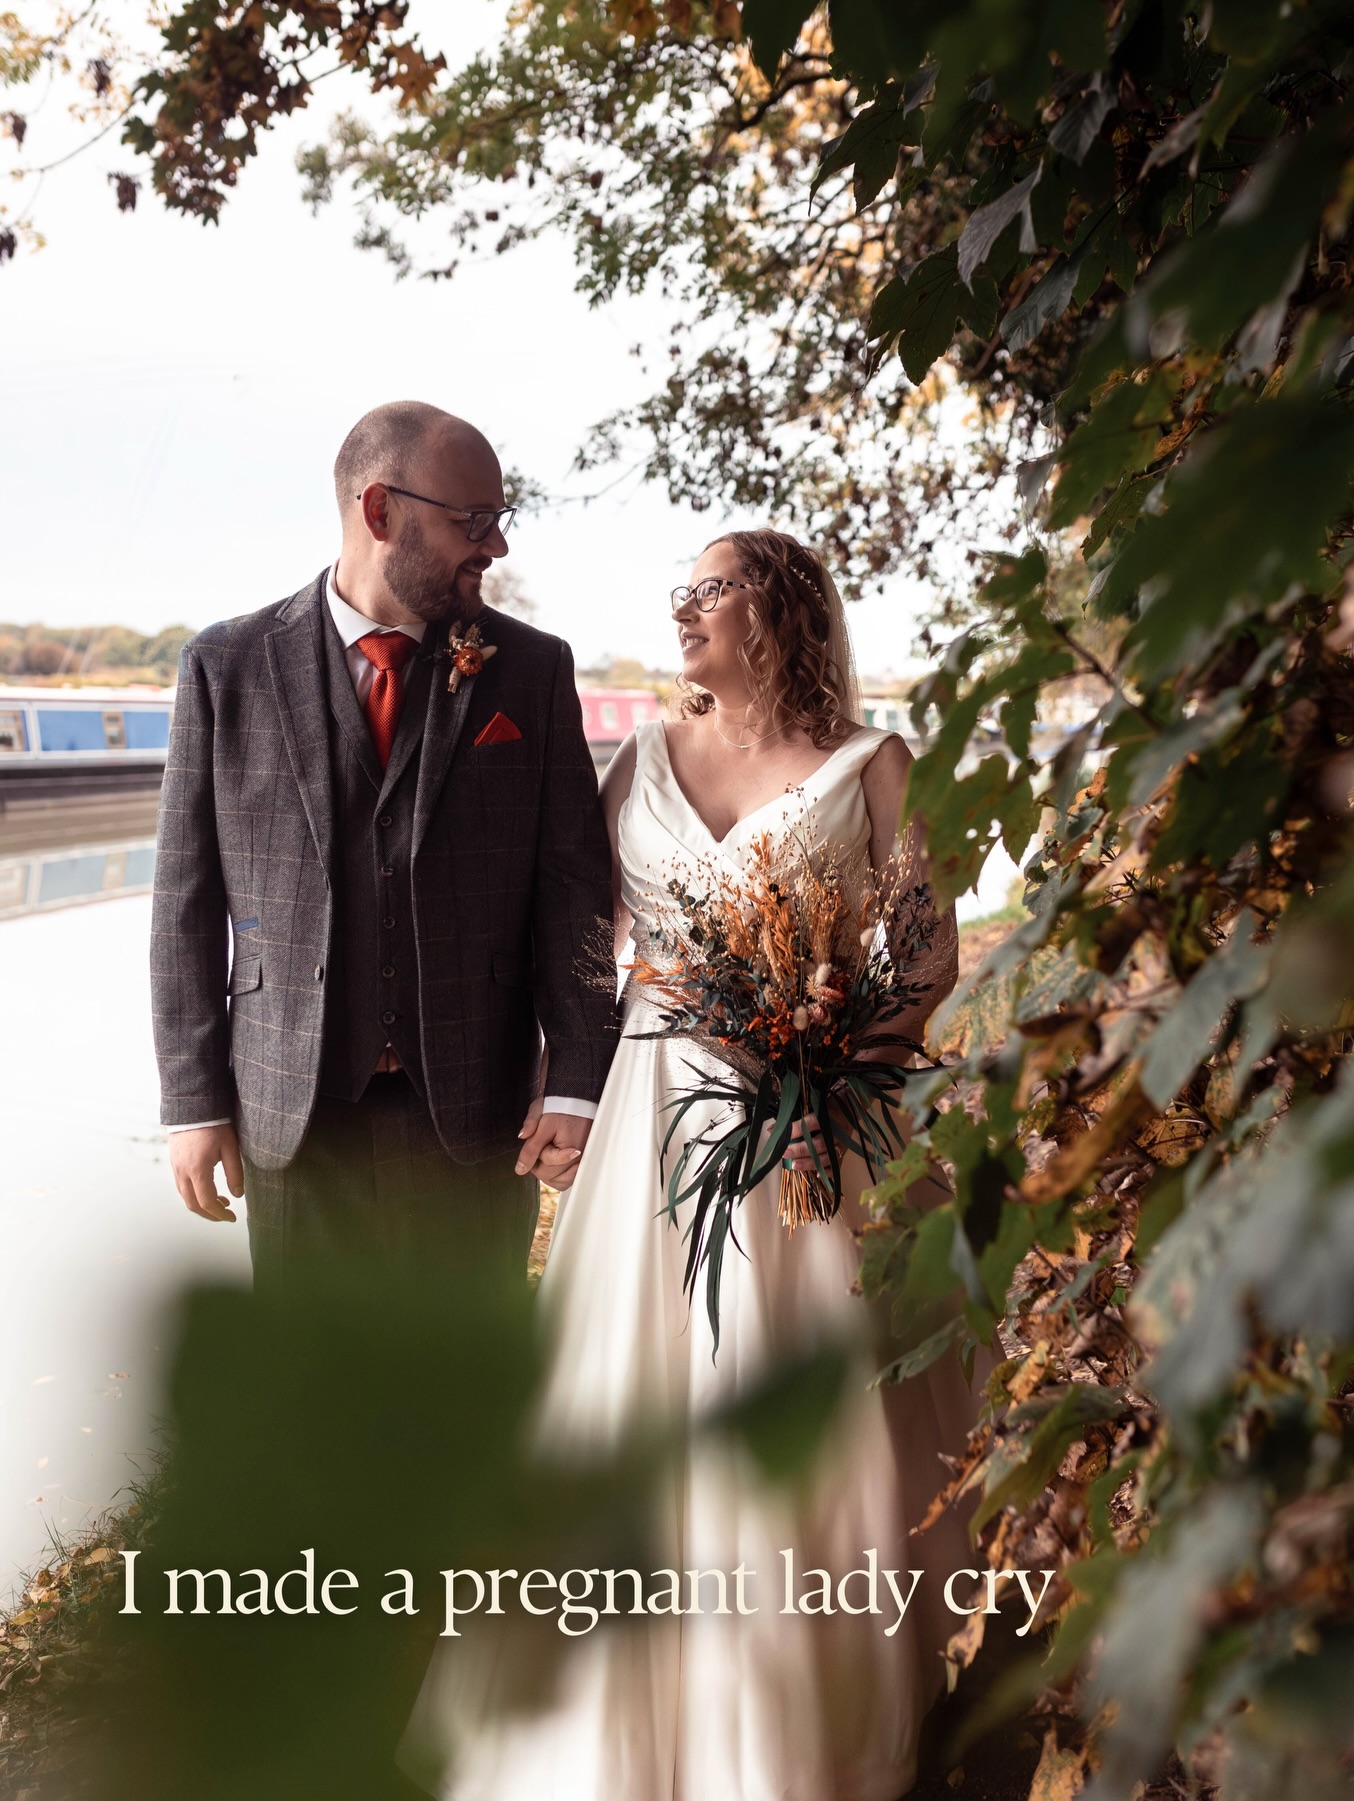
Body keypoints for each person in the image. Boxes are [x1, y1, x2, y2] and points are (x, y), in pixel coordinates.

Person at [403, 529, 975, 1800]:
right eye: (681, 591)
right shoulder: (639, 759)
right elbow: (579, 930)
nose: (683, 610)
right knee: (633, 1390)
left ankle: (802, 1724)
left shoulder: (870, 767)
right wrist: (558, 1078)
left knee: (804, 1395)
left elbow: (924, 957)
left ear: (778, 610)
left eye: (708, 588)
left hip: (818, 1120)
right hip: (657, 1106)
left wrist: (823, 1061)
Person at [150, 400, 618, 1292]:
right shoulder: (227, 666)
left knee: (474, 1393)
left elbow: (574, 892)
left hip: (478, 1113)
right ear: (379, 512)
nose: (496, 546)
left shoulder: (532, 668)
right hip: (292, 1106)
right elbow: (184, 903)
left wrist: (577, 1081)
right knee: (314, 1401)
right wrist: (193, 1098)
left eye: (499, 520)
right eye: (472, 521)